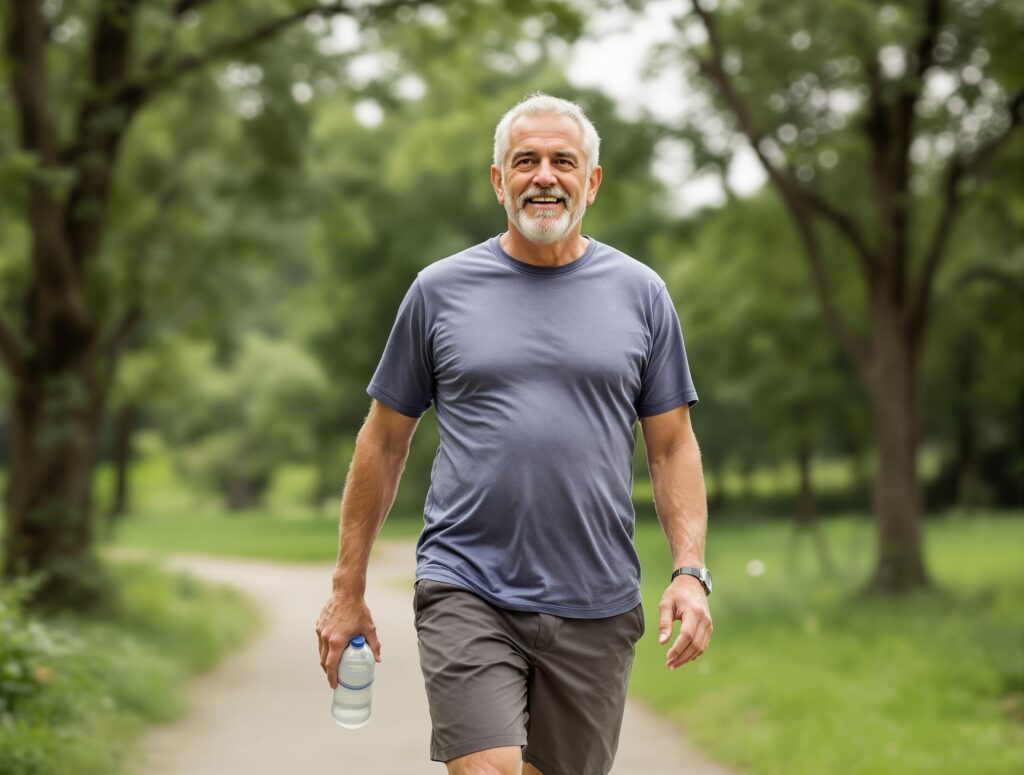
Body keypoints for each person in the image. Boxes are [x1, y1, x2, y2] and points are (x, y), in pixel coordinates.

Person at [316, 92, 713, 775]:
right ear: (499, 181)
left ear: (591, 181)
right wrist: (346, 588)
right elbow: (382, 440)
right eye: (524, 161)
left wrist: (690, 571)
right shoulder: (439, 291)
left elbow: (672, 443)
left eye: (564, 161)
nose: (544, 176)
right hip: (466, 582)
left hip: (596, 596)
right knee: (490, 767)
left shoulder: (641, 293)